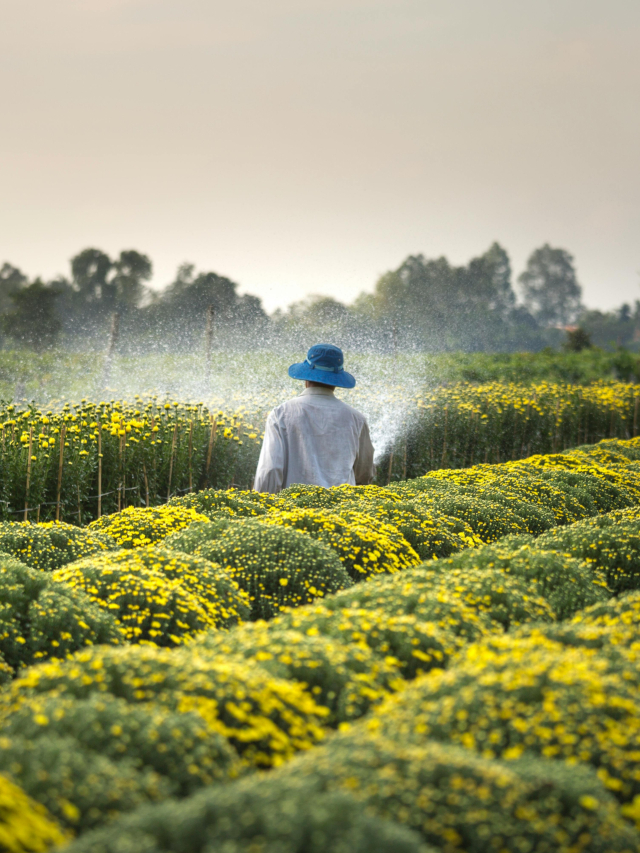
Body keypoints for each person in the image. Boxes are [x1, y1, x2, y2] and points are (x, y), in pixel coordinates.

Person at [253, 343, 375, 493]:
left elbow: (270, 471)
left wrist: (265, 506)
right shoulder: (356, 419)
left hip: (291, 510)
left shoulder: (281, 414)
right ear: (336, 381)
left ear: (306, 378)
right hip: (342, 511)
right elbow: (364, 473)